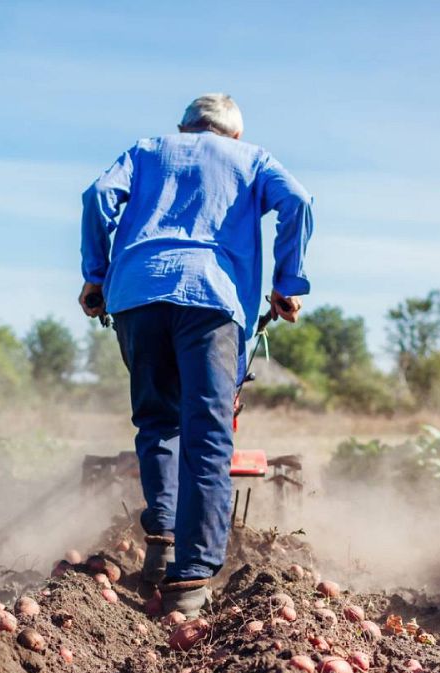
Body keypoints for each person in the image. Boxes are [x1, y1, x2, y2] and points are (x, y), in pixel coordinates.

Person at [78, 93, 314, 618]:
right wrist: (287, 282)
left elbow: (98, 196)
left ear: (184, 129)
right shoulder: (252, 158)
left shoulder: (147, 150)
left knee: (158, 420)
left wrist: (96, 275)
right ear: (233, 135)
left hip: (137, 292)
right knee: (208, 432)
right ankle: (190, 581)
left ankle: (162, 543)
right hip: (212, 297)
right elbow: (297, 202)